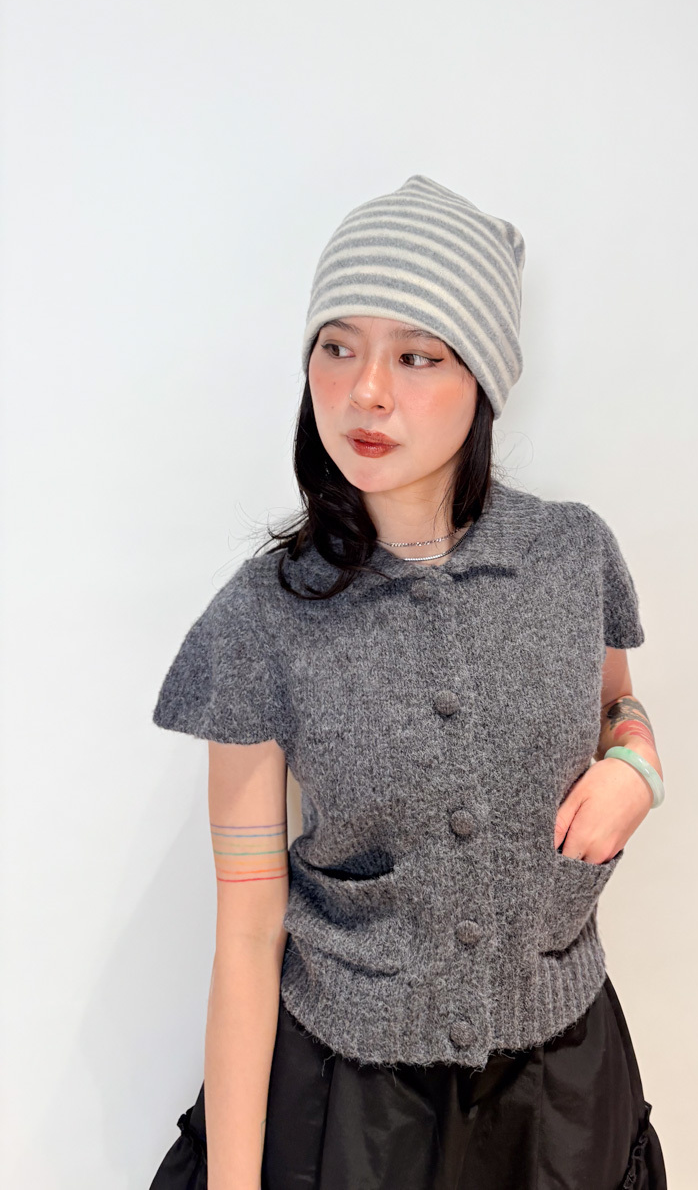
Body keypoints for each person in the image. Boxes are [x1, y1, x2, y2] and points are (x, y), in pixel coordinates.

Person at [149, 173, 669, 1189]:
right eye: (337, 346)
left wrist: (638, 766)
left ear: (483, 377)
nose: (366, 391)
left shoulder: (572, 558)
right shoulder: (263, 618)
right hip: (352, 1113)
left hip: (560, 1096)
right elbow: (247, 937)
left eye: (416, 355)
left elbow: (618, 706)